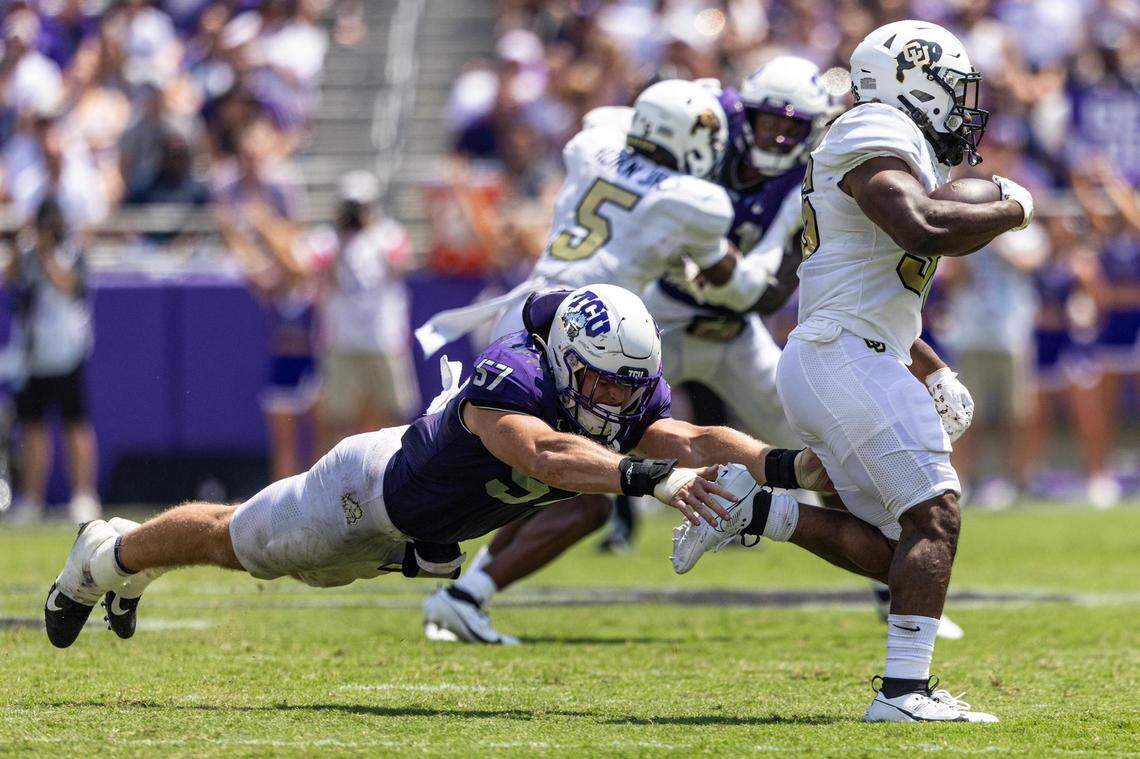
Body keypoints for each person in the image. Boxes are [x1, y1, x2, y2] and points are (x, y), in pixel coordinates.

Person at [43, 284, 828, 649]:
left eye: (625, 387)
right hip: (364, 494)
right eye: (597, 382)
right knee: (235, 540)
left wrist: (787, 463)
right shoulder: (512, 376)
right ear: (562, 359)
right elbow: (543, 451)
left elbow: (689, 438)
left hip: (411, 537)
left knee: (262, 556)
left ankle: (129, 557)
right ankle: (105, 553)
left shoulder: (612, 388)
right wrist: (654, 480)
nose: (612, 400)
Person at [675, 20, 1034, 722]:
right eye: (953, 90)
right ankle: (903, 694)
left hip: (849, 351)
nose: (963, 108)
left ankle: (756, 507)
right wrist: (1012, 207)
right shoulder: (872, 125)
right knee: (937, 513)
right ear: (911, 81)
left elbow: (869, 285)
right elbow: (924, 227)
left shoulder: (894, 146)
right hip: (842, 355)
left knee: (900, 547)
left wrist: (928, 367)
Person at [417, 79, 765, 644]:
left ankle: (463, 589)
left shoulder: (592, 145)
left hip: (533, 314)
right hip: (584, 341)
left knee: (548, 481)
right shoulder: (696, 200)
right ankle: (460, 590)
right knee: (575, 493)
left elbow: (606, 115)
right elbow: (733, 286)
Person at [4, 197, 100, 524]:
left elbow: (71, 285)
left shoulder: (72, 251)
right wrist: (21, 248)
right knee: (33, 428)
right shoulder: (27, 254)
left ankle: (84, 495)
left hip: (67, 351)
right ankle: (31, 498)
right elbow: (10, 278)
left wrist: (45, 253)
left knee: (76, 425)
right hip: (33, 354)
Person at [314, 170, 420, 455]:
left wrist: (371, 234)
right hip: (342, 339)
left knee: (393, 413)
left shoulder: (390, 235)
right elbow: (326, 277)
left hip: (383, 337)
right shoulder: (328, 239)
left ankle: (390, 469)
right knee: (338, 417)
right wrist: (342, 238)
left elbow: (399, 269)